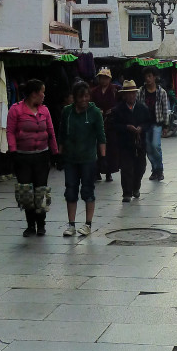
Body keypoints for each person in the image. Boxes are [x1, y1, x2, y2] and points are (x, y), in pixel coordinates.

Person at [6, 79, 58, 237]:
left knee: (40, 191)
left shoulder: (45, 111)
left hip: (42, 157)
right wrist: (13, 150)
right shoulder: (16, 110)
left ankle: (41, 224)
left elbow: (51, 132)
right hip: (23, 158)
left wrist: (55, 152)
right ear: (34, 94)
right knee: (26, 192)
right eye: (42, 92)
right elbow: (10, 131)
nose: (44, 95)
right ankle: (30, 225)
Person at [58, 81, 106, 237]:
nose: (84, 99)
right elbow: (62, 134)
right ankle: (71, 224)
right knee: (70, 190)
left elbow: (101, 136)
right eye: (81, 96)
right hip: (71, 159)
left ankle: (88, 224)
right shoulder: (67, 112)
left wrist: (103, 157)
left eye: (87, 96)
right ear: (75, 97)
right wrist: (59, 154)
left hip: (88, 159)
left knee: (88, 190)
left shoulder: (94, 112)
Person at [110, 80, 152, 203]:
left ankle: (136, 187)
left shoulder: (142, 108)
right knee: (126, 168)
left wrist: (141, 128)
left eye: (133, 93)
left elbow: (148, 123)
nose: (131, 96)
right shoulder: (118, 109)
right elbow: (114, 125)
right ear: (124, 95)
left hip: (140, 144)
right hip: (125, 144)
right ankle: (127, 193)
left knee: (140, 167)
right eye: (128, 94)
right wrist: (126, 127)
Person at [136, 66, 169, 181]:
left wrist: (165, 125)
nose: (148, 79)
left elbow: (165, 109)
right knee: (149, 148)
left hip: (157, 123)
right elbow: (137, 107)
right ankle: (155, 170)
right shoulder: (141, 91)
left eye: (150, 76)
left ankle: (159, 169)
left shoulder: (161, 92)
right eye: (146, 76)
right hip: (144, 124)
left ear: (154, 77)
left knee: (155, 145)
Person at [90, 67, 120, 182]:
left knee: (111, 147)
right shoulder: (94, 91)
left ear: (110, 79)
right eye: (102, 78)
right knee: (97, 147)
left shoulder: (115, 90)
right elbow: (90, 104)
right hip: (98, 122)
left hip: (111, 122)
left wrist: (113, 110)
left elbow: (120, 104)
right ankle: (97, 171)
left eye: (106, 78)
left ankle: (109, 172)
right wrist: (97, 110)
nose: (104, 80)